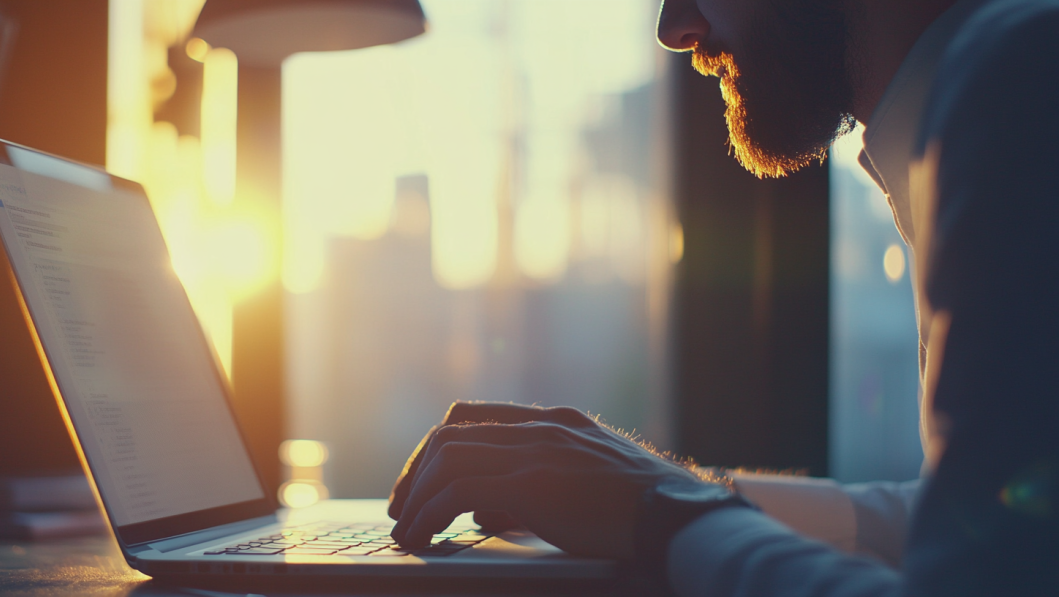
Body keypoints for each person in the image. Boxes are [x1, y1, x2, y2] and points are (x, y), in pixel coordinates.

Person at [387, 0, 1059, 594]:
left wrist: (663, 513)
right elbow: (994, 526)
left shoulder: (1017, 77)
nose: (674, 27)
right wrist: (676, 489)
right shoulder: (995, 89)